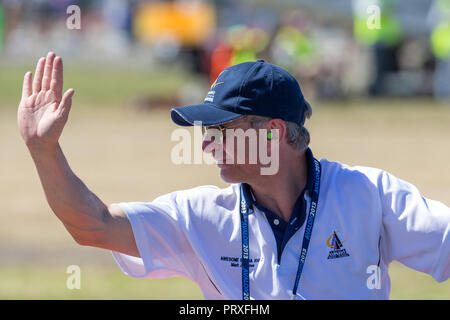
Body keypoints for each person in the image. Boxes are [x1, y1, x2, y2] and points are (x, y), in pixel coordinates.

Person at [18, 53, 449, 300]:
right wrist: (44, 150)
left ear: (273, 131)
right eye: (206, 132)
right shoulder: (202, 215)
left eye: (220, 130)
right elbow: (92, 224)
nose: (207, 144)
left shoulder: (369, 195)